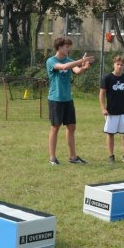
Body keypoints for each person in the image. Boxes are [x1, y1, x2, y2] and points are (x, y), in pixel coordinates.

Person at [46, 36, 93, 165]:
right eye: (66, 46)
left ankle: (73, 157)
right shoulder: (51, 61)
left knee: (71, 127)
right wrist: (81, 60)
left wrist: (84, 67)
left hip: (68, 99)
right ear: (59, 47)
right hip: (55, 99)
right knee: (55, 127)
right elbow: (63, 67)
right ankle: (52, 158)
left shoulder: (70, 60)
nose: (68, 49)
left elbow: (77, 71)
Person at [99, 55, 124, 163]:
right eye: (118, 64)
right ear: (114, 65)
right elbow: (101, 94)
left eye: (122, 65)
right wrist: (103, 109)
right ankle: (111, 156)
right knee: (110, 134)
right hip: (111, 112)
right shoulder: (107, 78)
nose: (120, 66)